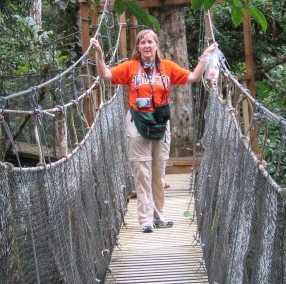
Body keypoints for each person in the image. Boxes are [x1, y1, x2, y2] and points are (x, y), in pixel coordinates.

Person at [91, 29, 218, 233]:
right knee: (142, 172)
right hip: (137, 122)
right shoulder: (131, 67)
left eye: (150, 41)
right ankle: (145, 219)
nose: (147, 45)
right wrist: (99, 55)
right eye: (142, 42)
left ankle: (158, 215)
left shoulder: (167, 67)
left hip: (160, 123)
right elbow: (105, 74)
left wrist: (206, 55)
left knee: (158, 174)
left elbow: (194, 77)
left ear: (157, 45)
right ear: (138, 48)